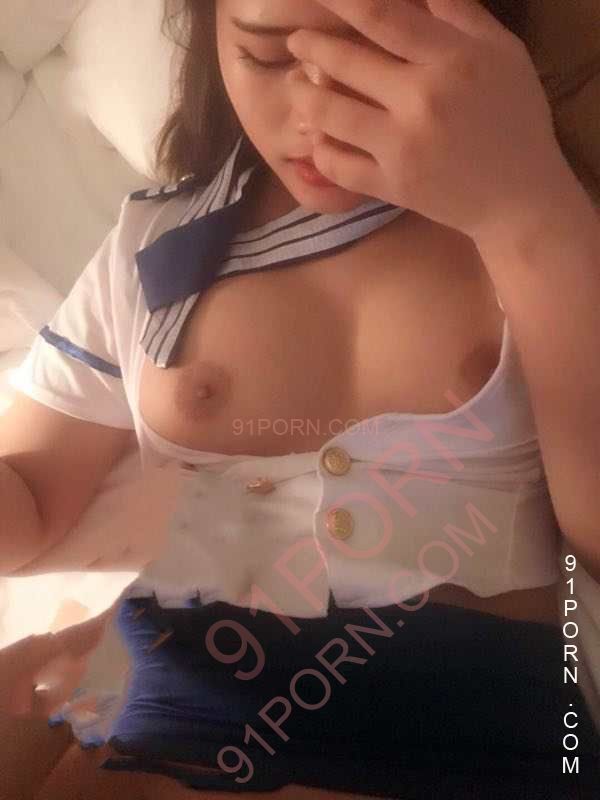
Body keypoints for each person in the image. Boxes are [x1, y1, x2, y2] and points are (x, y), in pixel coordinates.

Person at [2, 1, 600, 797]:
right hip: (176, 709)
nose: (317, 114)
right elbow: (31, 489)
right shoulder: (155, 245)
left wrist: (530, 211)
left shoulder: (552, 229)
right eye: (268, 57)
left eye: (374, 58)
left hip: (483, 723)